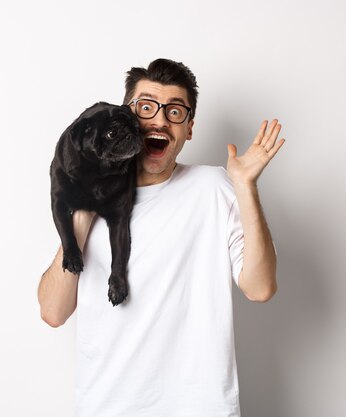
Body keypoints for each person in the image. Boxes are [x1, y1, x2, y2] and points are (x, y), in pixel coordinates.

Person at [38, 58, 285, 417]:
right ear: (128, 117)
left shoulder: (214, 189)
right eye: (147, 106)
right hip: (106, 408)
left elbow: (260, 288)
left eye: (175, 111)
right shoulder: (90, 196)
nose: (160, 120)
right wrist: (83, 212)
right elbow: (52, 312)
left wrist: (245, 187)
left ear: (189, 128)